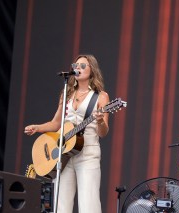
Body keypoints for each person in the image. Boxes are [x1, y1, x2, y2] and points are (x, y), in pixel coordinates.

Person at [24, 54, 109, 213]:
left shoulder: (101, 96)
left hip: (88, 154)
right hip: (63, 154)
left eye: (83, 66)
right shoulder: (66, 94)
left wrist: (100, 121)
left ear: (92, 70)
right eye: (75, 65)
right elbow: (56, 124)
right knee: (60, 204)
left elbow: (103, 132)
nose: (78, 68)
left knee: (89, 204)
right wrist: (37, 127)